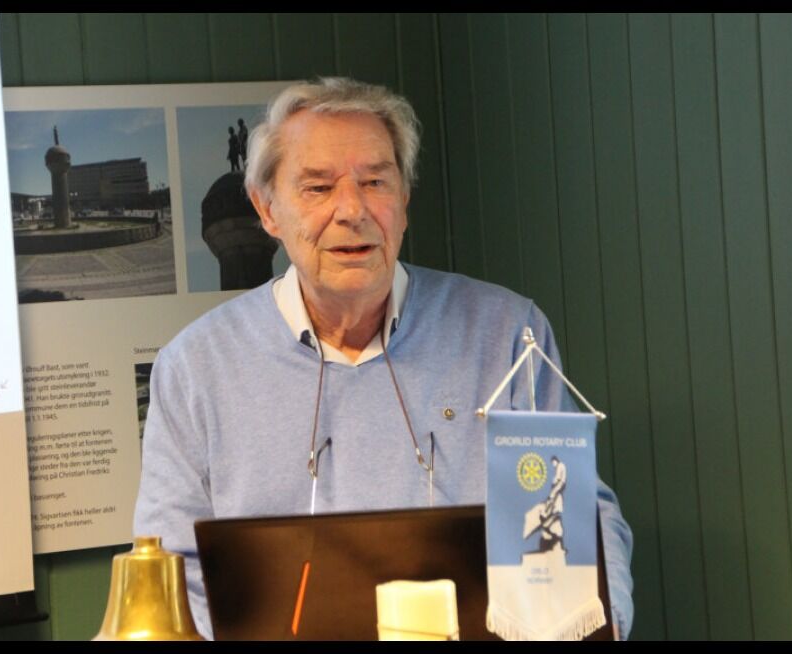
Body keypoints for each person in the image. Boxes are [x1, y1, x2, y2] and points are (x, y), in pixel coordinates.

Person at [134, 77, 634, 640]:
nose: (352, 210)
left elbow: (574, 519)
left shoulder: (506, 334)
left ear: (404, 199)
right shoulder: (196, 367)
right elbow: (171, 571)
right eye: (318, 187)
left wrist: (593, 627)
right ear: (267, 210)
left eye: (375, 182)